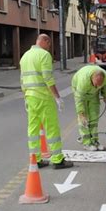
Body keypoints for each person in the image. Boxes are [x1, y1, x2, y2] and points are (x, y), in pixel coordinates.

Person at [19, 34, 73, 169]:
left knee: (33, 129)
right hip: (43, 97)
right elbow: (48, 78)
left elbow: (22, 80)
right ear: (45, 41)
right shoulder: (44, 55)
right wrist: (57, 97)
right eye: (49, 45)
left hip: (30, 98)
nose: (49, 48)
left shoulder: (25, 56)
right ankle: (57, 159)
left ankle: (35, 159)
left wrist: (25, 96)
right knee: (52, 128)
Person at [72, 65, 106, 151]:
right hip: (81, 93)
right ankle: (86, 142)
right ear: (92, 79)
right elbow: (79, 99)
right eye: (96, 84)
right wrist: (81, 113)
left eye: (99, 85)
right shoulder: (83, 82)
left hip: (93, 95)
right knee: (84, 119)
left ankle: (95, 141)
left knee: (94, 116)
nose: (97, 86)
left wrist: (105, 95)